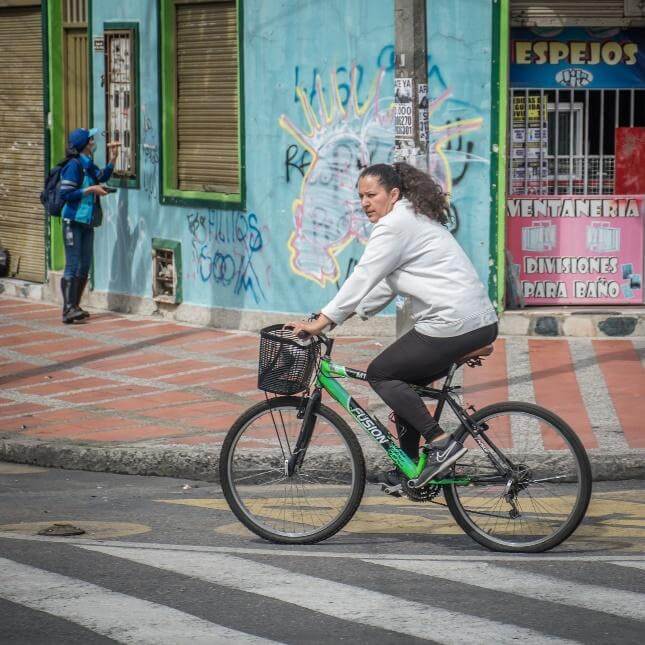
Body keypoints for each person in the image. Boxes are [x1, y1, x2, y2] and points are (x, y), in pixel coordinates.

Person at [287, 162, 498, 490]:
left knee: (381, 374)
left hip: (453, 321)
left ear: (394, 194)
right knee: (403, 384)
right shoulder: (412, 219)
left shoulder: (394, 225)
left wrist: (323, 321)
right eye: (360, 196)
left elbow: (365, 274)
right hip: (472, 321)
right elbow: (385, 282)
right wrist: (350, 314)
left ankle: (440, 445)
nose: (364, 202)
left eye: (372, 195)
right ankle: (410, 469)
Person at [59, 128, 120, 324]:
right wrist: (91, 189)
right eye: (91, 139)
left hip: (87, 221)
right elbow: (66, 194)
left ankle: (75, 306)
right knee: (72, 264)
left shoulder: (88, 163)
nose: (94, 141)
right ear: (85, 144)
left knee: (85, 265)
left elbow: (101, 176)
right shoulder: (73, 166)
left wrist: (113, 159)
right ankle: (68, 309)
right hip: (73, 221)